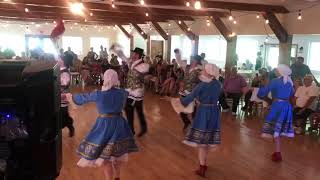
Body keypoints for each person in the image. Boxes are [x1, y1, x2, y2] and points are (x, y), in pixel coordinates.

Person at [66, 69, 138, 180]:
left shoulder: (98, 94)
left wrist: (69, 96)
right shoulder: (122, 93)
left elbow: (82, 98)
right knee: (117, 155)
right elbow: (132, 93)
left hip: (105, 126)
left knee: (105, 158)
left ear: (105, 78)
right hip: (119, 124)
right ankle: (117, 177)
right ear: (116, 78)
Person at [170, 63, 221, 177]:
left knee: (202, 142)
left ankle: (202, 167)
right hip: (214, 112)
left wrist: (177, 101)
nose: (202, 71)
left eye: (204, 70)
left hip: (204, 112)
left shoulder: (202, 85)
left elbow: (188, 98)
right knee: (208, 139)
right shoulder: (218, 84)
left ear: (208, 72)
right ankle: (204, 163)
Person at [258, 64, 295, 162]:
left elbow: (262, 93)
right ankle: (277, 152)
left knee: (274, 129)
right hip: (287, 106)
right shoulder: (289, 82)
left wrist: (263, 85)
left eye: (276, 69)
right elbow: (292, 94)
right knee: (278, 130)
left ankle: (278, 152)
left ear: (280, 71)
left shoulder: (275, 81)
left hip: (278, 106)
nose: (275, 70)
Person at [113, 46, 150, 137]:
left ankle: (131, 130)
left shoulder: (144, 65)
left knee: (128, 108)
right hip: (131, 90)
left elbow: (142, 72)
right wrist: (116, 50)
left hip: (136, 92)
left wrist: (130, 63)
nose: (133, 55)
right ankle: (142, 128)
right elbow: (123, 57)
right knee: (138, 110)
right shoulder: (133, 62)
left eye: (134, 54)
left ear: (138, 55)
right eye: (133, 53)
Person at [174, 48, 202, 130]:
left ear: (196, 61)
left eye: (192, 58)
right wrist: (177, 53)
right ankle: (187, 122)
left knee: (194, 110)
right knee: (181, 109)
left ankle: (195, 126)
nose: (191, 59)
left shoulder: (199, 70)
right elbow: (179, 61)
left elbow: (203, 80)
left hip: (194, 92)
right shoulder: (186, 66)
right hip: (184, 92)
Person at [59, 54, 75, 137]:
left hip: (63, 97)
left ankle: (70, 126)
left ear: (63, 61)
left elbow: (64, 85)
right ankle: (69, 125)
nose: (57, 59)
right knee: (62, 114)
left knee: (63, 115)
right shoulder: (59, 70)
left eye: (59, 58)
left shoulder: (65, 72)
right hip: (59, 97)